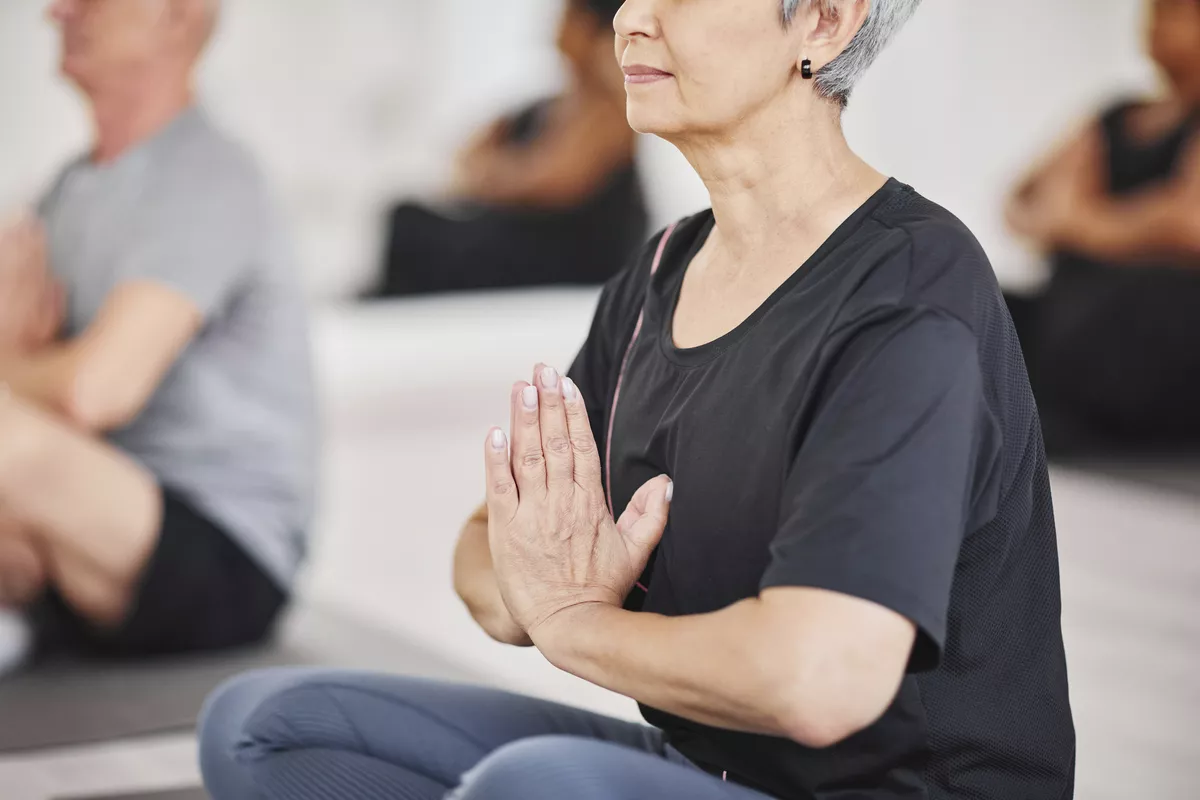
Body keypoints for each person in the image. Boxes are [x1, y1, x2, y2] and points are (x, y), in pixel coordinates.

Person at [200, 0, 1076, 798]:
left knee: (538, 786)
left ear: (822, 21)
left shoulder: (909, 287)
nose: (628, 18)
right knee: (264, 732)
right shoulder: (662, 272)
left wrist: (573, 621)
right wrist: (539, 590)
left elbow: (821, 681)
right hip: (703, 764)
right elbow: (490, 552)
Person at [0, 0, 314, 672]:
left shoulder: (209, 175)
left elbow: (94, 390)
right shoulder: (67, 191)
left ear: (177, 16)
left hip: (222, 554)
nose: (59, 12)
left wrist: (14, 367)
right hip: (95, 536)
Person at [1004, 0, 1200, 455]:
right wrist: (1145, 221)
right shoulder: (1115, 114)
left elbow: (1191, 225)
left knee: (1135, 305)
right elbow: (1020, 201)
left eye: (1175, 13)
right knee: (986, 305)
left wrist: (1077, 222)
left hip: (1156, 319)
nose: (1154, 28)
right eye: (1153, 14)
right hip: (1081, 301)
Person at [367, 0, 647, 297]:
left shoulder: (608, 112)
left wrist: (492, 177)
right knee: (407, 217)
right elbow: (469, 155)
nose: (557, 29)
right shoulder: (547, 106)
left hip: (562, 256)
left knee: (422, 234)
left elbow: (548, 182)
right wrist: (500, 174)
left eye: (569, 18)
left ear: (593, 31)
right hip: (520, 236)